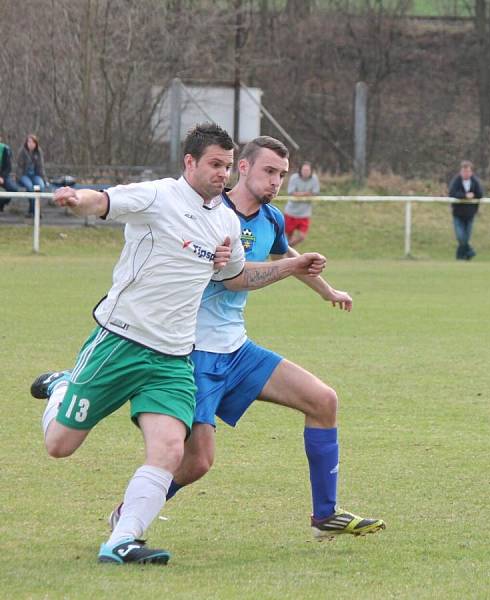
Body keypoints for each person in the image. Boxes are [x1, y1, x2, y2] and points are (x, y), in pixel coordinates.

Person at [30, 123, 326, 565]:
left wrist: (291, 267)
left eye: (227, 167)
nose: (221, 174)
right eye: (214, 164)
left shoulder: (224, 220)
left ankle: (122, 539)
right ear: (189, 162)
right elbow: (105, 200)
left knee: (171, 449)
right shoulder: (158, 195)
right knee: (60, 445)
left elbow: (238, 279)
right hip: (120, 341)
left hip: (173, 357)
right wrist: (78, 200)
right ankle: (62, 387)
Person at [110, 136, 384, 539]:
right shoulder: (211, 214)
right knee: (198, 461)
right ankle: (128, 514)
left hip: (237, 351)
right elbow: (237, 281)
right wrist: (292, 269)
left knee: (323, 400)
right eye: (269, 171)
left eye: (282, 175)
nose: (276, 182)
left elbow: (288, 257)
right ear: (243, 168)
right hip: (194, 353)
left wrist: (329, 291)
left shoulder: (271, 218)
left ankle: (325, 517)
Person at [448, 160, 484, 260]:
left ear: (471, 172)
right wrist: (465, 196)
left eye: (467, 171)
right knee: (460, 237)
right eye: (464, 171)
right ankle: (470, 252)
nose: (465, 174)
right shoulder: (456, 181)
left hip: (470, 214)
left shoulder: (475, 182)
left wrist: (473, 195)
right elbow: (452, 193)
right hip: (457, 214)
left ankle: (461, 256)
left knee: (466, 238)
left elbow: (480, 194)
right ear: (461, 172)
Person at [283, 161, 320, 247]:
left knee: (302, 237)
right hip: (291, 212)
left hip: (304, 214)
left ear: (311, 171)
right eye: (304, 170)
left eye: (307, 170)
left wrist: (301, 194)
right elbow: (291, 192)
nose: (306, 172)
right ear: (300, 170)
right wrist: (306, 193)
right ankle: (287, 254)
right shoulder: (294, 178)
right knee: (288, 236)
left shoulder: (314, 179)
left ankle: (287, 248)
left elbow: (315, 193)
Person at [16, 134, 48, 216]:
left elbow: (41, 167)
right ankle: (35, 211)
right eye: (29, 142)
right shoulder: (22, 152)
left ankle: (33, 210)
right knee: (30, 187)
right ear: (26, 143)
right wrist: (19, 177)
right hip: (24, 175)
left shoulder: (39, 152)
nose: (30, 144)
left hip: (35, 175)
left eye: (32, 142)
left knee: (41, 186)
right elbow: (19, 167)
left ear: (36, 144)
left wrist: (44, 180)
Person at [0, 135, 20, 212]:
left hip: (3, 176)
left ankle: (1, 204)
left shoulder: (4, 149)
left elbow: (8, 167)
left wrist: (2, 177)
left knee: (13, 189)